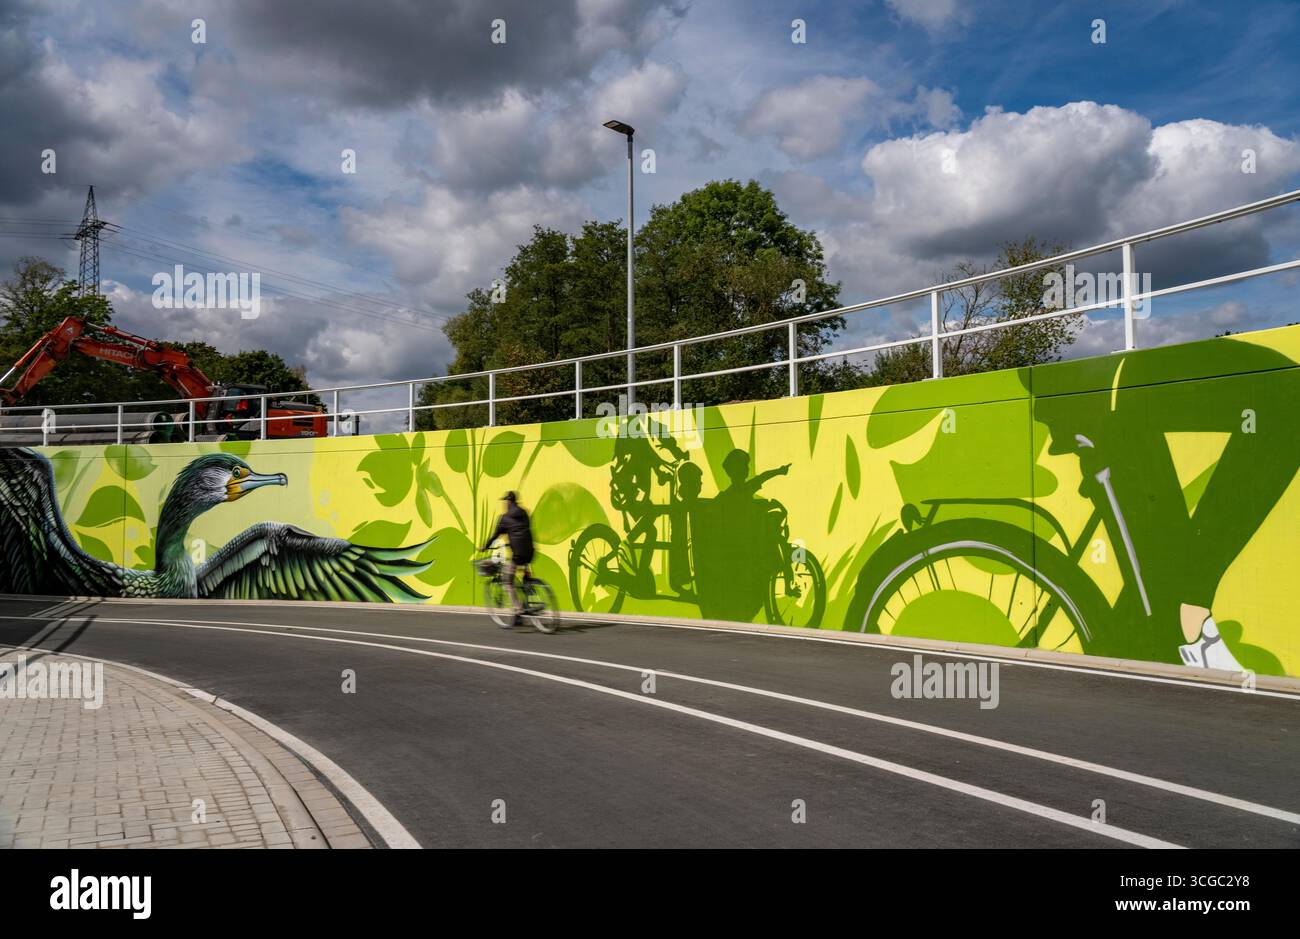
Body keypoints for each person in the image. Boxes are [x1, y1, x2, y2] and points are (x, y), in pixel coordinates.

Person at [482, 491, 536, 627]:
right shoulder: (524, 513)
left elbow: (495, 535)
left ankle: (519, 609)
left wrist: (485, 547)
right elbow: (522, 530)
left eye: (505, 501)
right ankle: (525, 603)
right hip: (530, 551)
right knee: (524, 573)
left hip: (517, 554)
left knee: (507, 581)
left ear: (508, 502)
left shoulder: (504, 518)